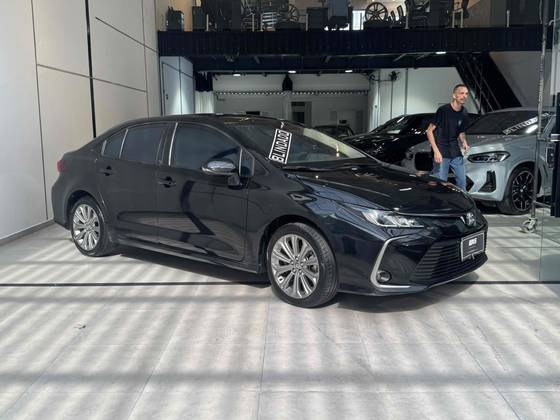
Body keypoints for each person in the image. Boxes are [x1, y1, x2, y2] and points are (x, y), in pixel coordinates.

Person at [426, 84, 471, 190]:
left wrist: (464, 142)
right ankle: (436, 200)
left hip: (454, 149)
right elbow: (429, 131)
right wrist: (436, 151)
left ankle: (461, 201)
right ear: (454, 95)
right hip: (441, 150)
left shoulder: (464, 112)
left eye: (466, 94)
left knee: (462, 182)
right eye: (461, 93)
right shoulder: (443, 110)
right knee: (440, 183)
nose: (464, 96)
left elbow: (461, 131)